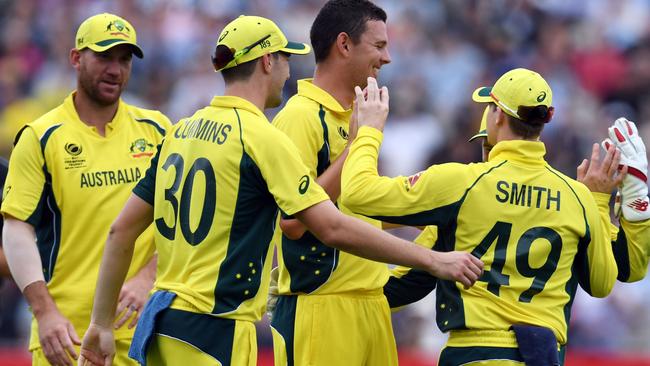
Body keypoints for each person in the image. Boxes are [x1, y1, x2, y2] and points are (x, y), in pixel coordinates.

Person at [76, 15, 482, 366]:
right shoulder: (261, 137)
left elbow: (121, 231)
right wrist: (433, 260)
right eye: (286, 58)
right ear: (268, 61)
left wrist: (99, 322)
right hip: (218, 328)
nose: (290, 70)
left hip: (163, 322)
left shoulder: (180, 131)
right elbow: (331, 228)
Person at [341, 70, 624, 365]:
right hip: (542, 356)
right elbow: (602, 283)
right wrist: (600, 203)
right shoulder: (578, 197)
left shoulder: (462, 182)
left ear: (498, 115)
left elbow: (357, 193)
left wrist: (368, 132)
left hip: (474, 352)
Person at [1, 13, 171, 366]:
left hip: (148, 329)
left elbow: (182, 217)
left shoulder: (157, 129)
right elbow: (17, 229)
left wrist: (148, 276)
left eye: (124, 60)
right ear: (76, 58)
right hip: (67, 336)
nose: (115, 69)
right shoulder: (41, 136)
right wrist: (44, 312)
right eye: (105, 56)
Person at [268, 1, 402, 365]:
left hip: (372, 300)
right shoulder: (300, 116)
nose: (387, 58)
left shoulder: (358, 115)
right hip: (321, 307)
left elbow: (351, 209)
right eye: (378, 46)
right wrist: (358, 145)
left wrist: (420, 213)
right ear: (344, 44)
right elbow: (293, 222)